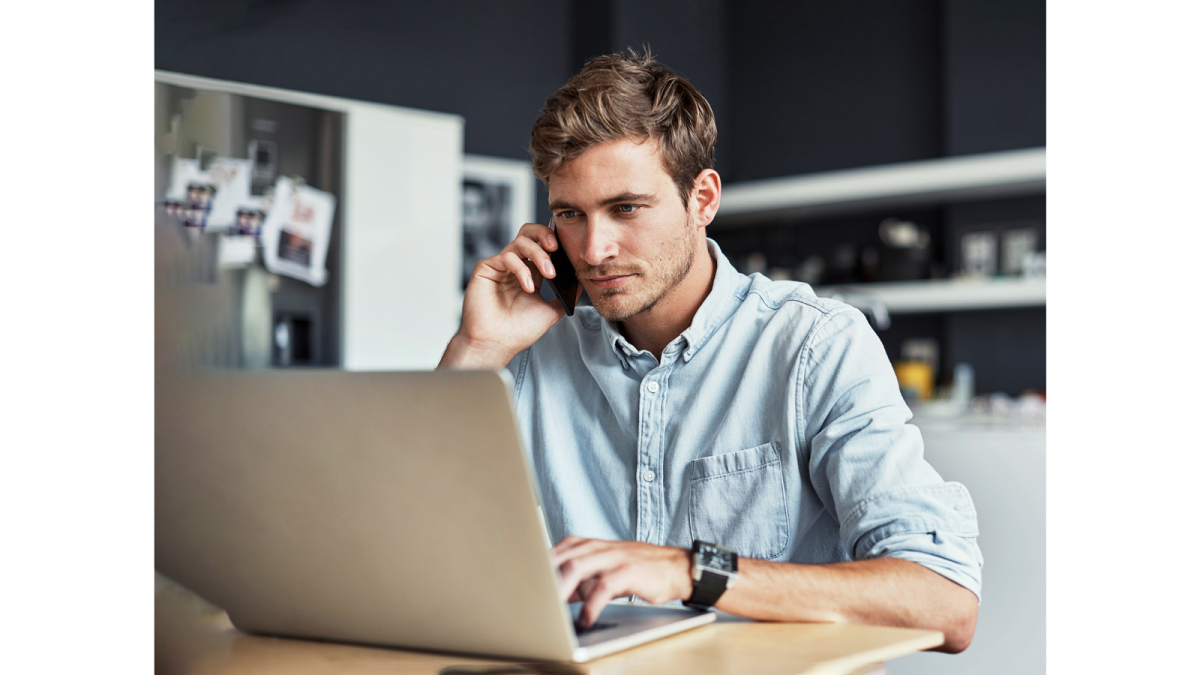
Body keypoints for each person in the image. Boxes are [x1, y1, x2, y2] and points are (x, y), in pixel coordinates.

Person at [439, 51, 982, 653]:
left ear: (702, 199)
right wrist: (477, 348)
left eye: (625, 208)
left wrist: (690, 571)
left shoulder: (815, 345)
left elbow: (944, 600)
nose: (594, 250)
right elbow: (399, 536)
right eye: (571, 214)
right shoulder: (535, 356)